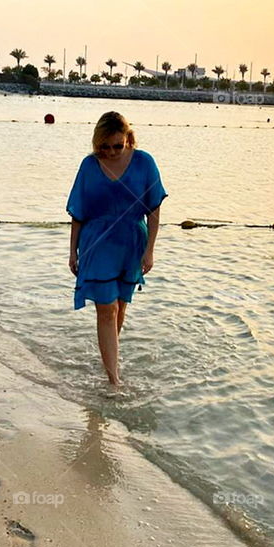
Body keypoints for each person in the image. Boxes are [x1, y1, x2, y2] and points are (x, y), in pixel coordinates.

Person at [66, 112, 167, 385]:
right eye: (104, 146)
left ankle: (108, 359)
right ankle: (114, 379)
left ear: (128, 139)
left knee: (120, 306)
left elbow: (154, 211)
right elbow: (79, 211)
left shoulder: (145, 163)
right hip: (96, 243)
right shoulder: (89, 165)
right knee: (106, 309)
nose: (110, 152)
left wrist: (150, 250)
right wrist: (72, 251)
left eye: (116, 146)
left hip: (131, 242)